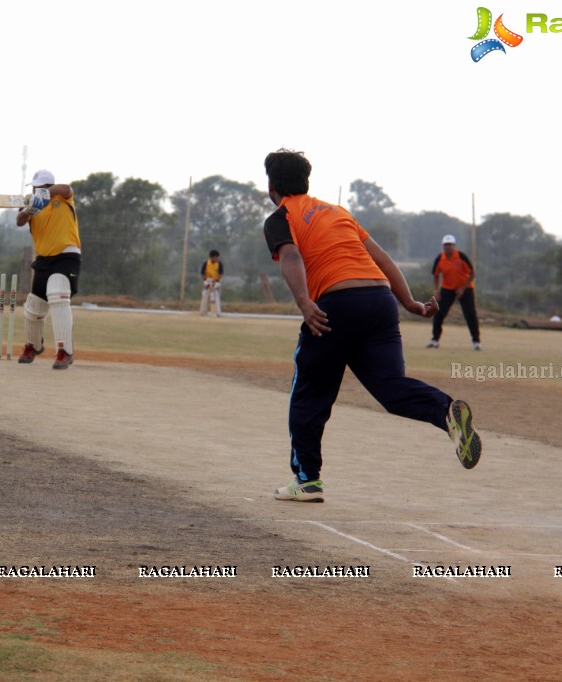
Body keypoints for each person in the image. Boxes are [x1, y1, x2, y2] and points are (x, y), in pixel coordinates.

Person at [262, 149, 481, 503]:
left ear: (271, 184)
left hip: (335, 306)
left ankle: (307, 480)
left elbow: (290, 256)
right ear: (306, 181)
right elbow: (381, 258)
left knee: (310, 394)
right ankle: (445, 411)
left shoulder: (281, 217)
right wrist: (407, 302)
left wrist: (305, 303)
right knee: (392, 387)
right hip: (380, 302)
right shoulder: (338, 212)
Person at [16, 169, 80, 370]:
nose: (35, 189)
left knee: (58, 294)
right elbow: (19, 222)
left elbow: (67, 188)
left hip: (66, 255)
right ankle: (33, 346)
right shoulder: (32, 203)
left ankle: (65, 352)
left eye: (38, 186)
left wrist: (44, 195)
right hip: (44, 259)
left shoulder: (63, 197)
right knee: (34, 306)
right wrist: (29, 209)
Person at [428, 234, 481, 351]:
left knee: (470, 314)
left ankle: (476, 342)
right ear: (443, 246)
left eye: (450, 245)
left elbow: (472, 273)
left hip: (465, 288)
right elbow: (436, 275)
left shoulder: (461, 257)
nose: (447, 247)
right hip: (447, 288)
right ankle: (434, 340)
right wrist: (436, 290)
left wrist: (462, 288)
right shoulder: (440, 259)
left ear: (454, 246)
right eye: (445, 245)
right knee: (439, 313)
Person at [199, 249, 223, 317]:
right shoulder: (206, 263)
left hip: (215, 282)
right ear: (212, 257)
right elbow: (202, 273)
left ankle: (217, 312)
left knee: (216, 296)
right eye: (216, 257)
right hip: (207, 281)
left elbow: (220, 274)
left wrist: (216, 282)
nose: (217, 258)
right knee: (205, 295)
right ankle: (203, 312)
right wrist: (205, 281)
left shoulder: (219, 264)